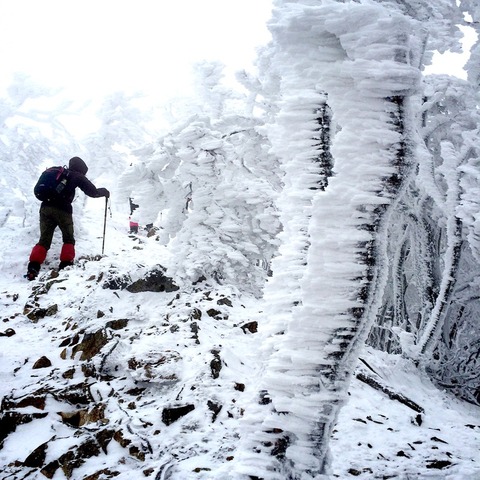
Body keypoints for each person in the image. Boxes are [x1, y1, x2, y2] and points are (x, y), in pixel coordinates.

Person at [26, 156, 110, 280]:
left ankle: (33, 268)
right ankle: (65, 266)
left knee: (44, 239)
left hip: (45, 208)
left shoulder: (59, 173)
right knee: (68, 238)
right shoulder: (76, 175)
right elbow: (92, 192)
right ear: (81, 169)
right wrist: (104, 192)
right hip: (62, 209)